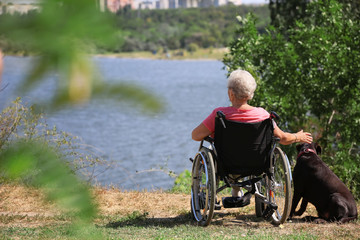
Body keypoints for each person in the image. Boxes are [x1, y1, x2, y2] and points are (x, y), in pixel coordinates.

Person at [192, 69, 313, 198]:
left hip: (225, 164)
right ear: (250, 94)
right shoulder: (263, 115)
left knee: (212, 147)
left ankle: (217, 194)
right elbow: (283, 138)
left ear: (230, 93)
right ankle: (238, 190)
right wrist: (298, 136)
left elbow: (195, 135)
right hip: (257, 164)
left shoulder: (220, 115)